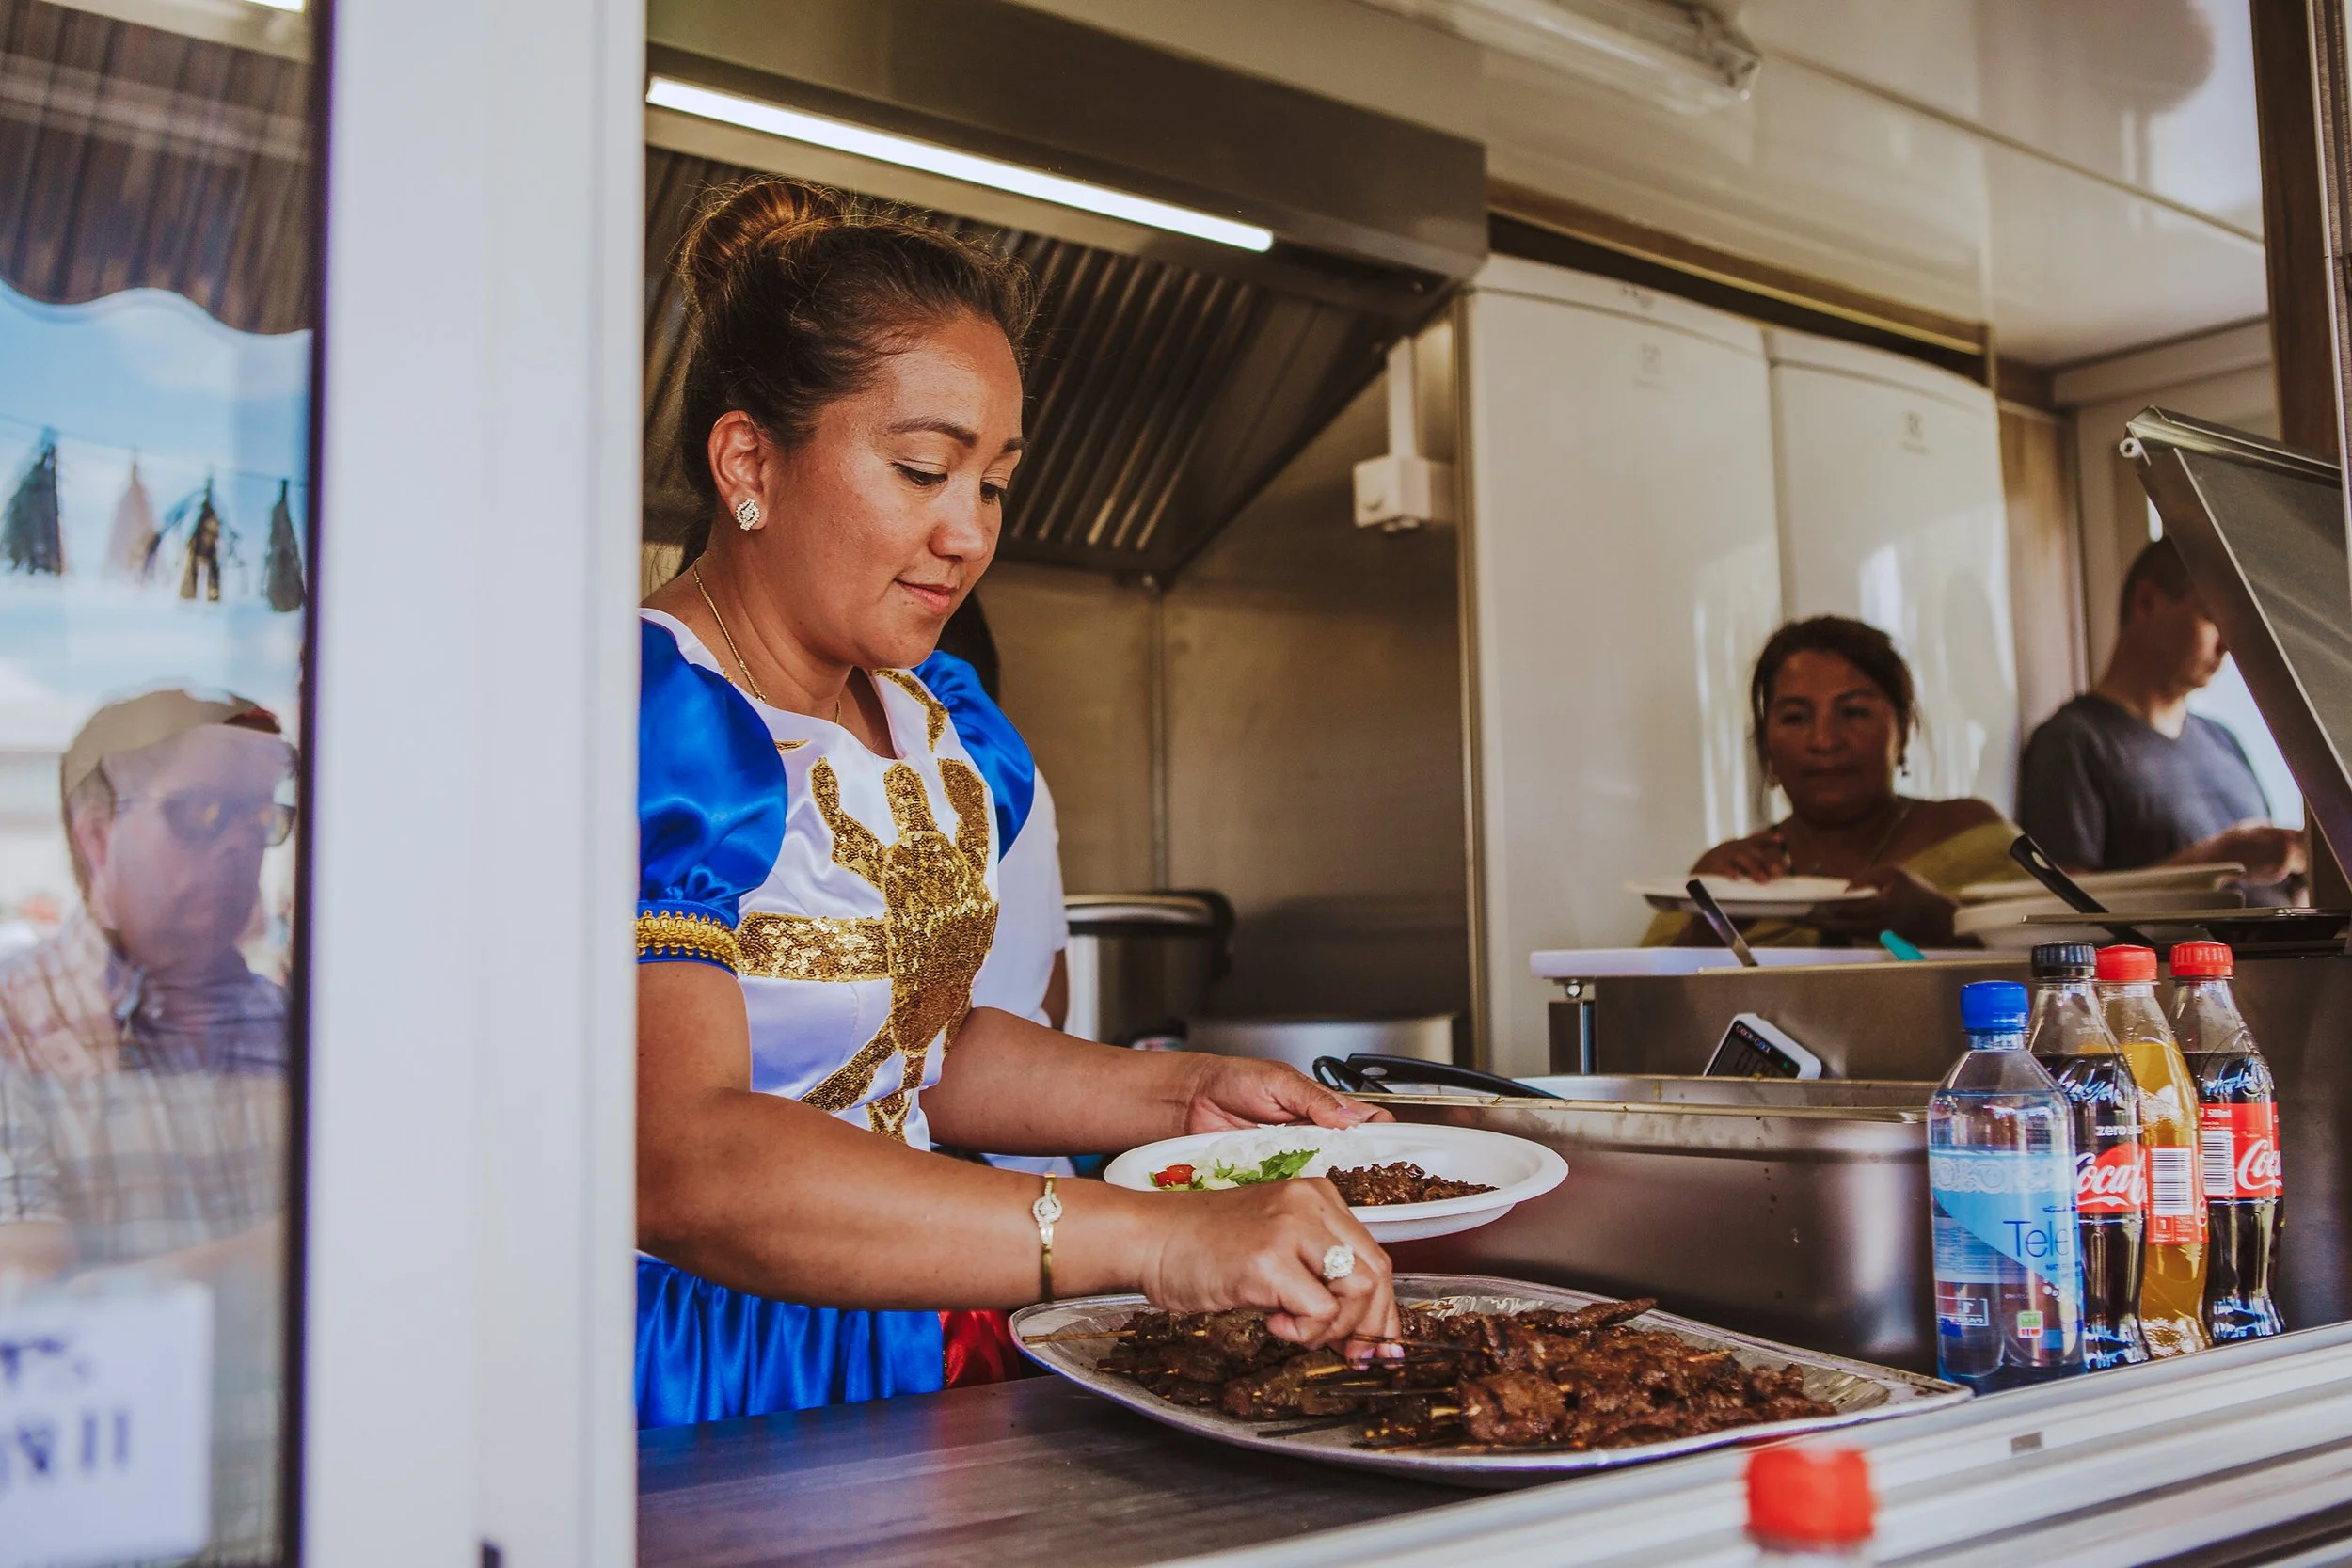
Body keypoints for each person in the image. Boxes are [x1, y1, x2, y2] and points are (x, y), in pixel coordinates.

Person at [632, 179, 1396, 1429]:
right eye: (923, 469)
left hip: (887, 1322)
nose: (968, 534)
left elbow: (920, 1052)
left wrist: (1182, 1096)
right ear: (749, 462)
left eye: (992, 482)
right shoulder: (651, 715)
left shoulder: (921, 720)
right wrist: (1150, 1235)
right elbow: (685, 1162)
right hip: (706, 1366)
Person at [0, 688, 297, 1562]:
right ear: (96, 834)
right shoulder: (14, 1026)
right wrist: (311, 1247)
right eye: (202, 813)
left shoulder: (288, 1025)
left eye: (258, 816)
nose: (242, 843)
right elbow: (36, 1331)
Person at [1646, 616, 2019, 948]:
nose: (1824, 741)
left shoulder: (1970, 835)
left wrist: (1940, 922)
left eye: (1854, 712)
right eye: (1796, 718)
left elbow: (2041, 970)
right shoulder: (1728, 871)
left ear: (1903, 731)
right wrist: (1711, 928)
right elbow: (1640, 993)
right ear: (1765, 744)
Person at [2018, 538, 2305, 895]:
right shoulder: (2073, 742)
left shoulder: (2223, 740)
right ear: (2147, 603)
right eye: (2212, 617)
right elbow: (2062, 904)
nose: (2227, 645)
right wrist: (2216, 860)